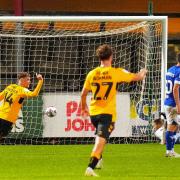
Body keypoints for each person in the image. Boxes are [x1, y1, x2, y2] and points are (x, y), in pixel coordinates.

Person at [80, 44, 147, 176]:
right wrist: (143, 71)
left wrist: (84, 107)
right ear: (111, 57)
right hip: (107, 114)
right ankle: (90, 167)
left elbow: (83, 94)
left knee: (101, 137)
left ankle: (99, 159)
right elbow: (137, 77)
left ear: (99, 57)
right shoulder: (116, 72)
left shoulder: (92, 74)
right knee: (101, 140)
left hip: (94, 113)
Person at [0, 72, 43, 139]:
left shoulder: (10, 86)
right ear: (22, 80)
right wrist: (40, 81)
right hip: (8, 118)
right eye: (28, 80)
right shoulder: (23, 90)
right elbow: (34, 94)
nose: (30, 82)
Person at [164, 52, 180, 157]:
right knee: (172, 126)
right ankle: (169, 151)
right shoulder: (179, 72)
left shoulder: (170, 70)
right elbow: (175, 89)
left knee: (173, 126)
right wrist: (178, 105)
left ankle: (171, 150)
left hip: (168, 102)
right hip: (174, 103)